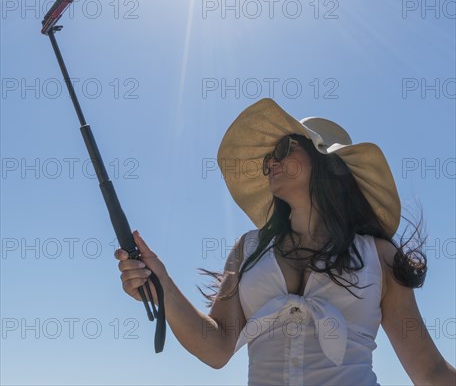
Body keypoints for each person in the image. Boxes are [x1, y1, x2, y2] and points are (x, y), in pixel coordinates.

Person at [115, 98, 455, 385]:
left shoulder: (379, 256)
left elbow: (431, 370)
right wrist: (164, 287)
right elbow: (217, 347)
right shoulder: (247, 250)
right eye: (268, 160)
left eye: (282, 149)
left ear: (325, 162)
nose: (271, 163)